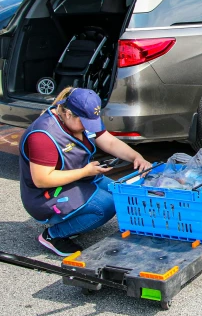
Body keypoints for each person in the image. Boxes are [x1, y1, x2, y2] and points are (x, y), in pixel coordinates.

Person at [19, 87, 152, 256]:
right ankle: (53, 235)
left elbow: (108, 141)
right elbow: (42, 179)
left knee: (119, 194)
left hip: (79, 177)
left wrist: (136, 157)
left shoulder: (84, 117)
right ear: (67, 113)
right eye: (85, 122)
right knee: (105, 206)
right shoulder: (43, 135)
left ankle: (77, 219)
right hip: (45, 195)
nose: (88, 127)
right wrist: (85, 172)